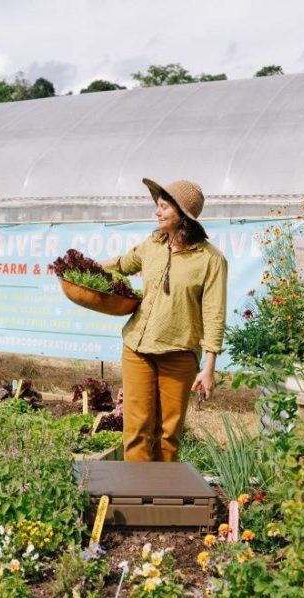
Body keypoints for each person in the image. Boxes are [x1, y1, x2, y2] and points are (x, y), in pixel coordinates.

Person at [104, 179, 227, 462]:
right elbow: (123, 264)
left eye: (163, 207)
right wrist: (84, 266)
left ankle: (160, 498)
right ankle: (136, 498)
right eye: (157, 206)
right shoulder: (153, 244)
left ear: (183, 215)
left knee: (168, 434)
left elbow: (214, 313)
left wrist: (208, 369)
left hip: (178, 354)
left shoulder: (210, 259)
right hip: (137, 348)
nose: (156, 213)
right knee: (136, 429)